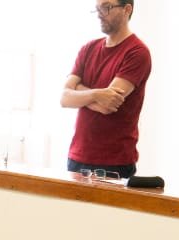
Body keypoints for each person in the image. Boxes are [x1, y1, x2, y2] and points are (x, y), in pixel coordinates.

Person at [61, 1, 151, 178]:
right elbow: (64, 98)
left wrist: (78, 90)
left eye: (106, 7)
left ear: (127, 9)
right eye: (97, 8)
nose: (100, 13)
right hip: (77, 157)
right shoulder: (88, 49)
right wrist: (97, 93)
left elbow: (107, 105)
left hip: (114, 163)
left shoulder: (137, 52)